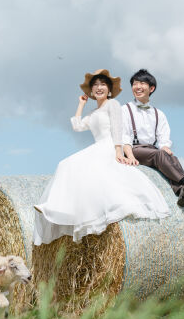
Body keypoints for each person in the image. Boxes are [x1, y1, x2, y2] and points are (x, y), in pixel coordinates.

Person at [33, 69, 170, 246]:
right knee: (65, 165)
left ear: (109, 90)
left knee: (74, 166)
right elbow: (78, 126)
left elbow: (118, 128)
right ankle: (60, 209)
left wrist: (119, 151)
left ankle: (64, 210)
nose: (99, 87)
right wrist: (81, 105)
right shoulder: (93, 113)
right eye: (95, 85)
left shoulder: (112, 105)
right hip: (97, 147)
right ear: (90, 91)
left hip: (109, 146)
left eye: (103, 84)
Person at [121, 69, 184, 207]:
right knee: (159, 155)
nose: (137, 87)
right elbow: (124, 135)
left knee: (172, 158)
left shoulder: (159, 114)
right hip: (134, 149)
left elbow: (163, 137)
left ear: (151, 88)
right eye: (134, 84)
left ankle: (182, 193)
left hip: (152, 150)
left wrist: (165, 146)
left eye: (142, 83)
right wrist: (130, 155)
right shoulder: (125, 109)